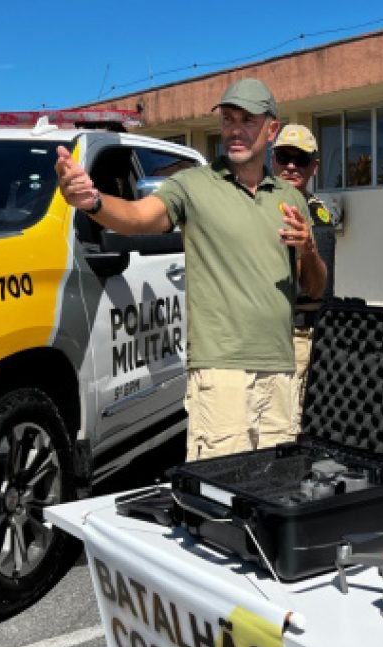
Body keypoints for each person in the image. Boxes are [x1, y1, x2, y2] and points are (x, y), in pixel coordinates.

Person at [54, 77, 326, 461]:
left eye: (247, 120)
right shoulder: (192, 186)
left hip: (280, 370)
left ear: (271, 128)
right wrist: (93, 202)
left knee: (273, 490)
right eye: (229, 119)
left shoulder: (288, 197)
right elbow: (138, 217)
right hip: (222, 372)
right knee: (222, 495)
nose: (235, 129)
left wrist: (309, 250)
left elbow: (314, 287)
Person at [270, 123, 338, 433]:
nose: (291, 166)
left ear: (315, 167)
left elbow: (316, 288)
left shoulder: (315, 213)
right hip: (256, 335)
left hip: (297, 335)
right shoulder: (255, 206)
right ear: (273, 161)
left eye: (301, 159)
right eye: (284, 157)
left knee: (289, 426)